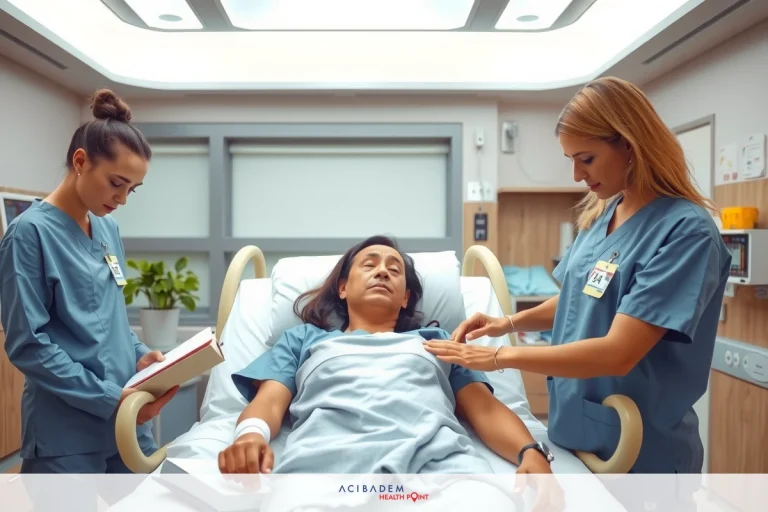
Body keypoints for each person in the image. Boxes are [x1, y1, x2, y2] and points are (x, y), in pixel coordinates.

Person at [424, 77, 731, 480]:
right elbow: (579, 299)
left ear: (630, 144)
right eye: (571, 159)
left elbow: (619, 352)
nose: (576, 175)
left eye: (586, 159)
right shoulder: (603, 214)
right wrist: (508, 323)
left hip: (640, 446)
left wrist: (498, 357)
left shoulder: (685, 232)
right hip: (575, 431)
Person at [219, 235, 563, 510]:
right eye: (369, 265)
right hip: (322, 472)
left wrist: (530, 451)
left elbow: (484, 409)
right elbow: (270, 401)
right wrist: (250, 436)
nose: (382, 272)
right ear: (343, 288)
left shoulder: (437, 340)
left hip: (443, 474)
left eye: (394, 270)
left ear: (405, 298)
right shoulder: (303, 339)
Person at [0, 89, 178, 475]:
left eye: (131, 189)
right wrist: (109, 398)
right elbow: (28, 344)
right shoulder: (29, 234)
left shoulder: (107, 228)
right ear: (81, 162)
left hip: (124, 420)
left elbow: (110, 318)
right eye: (116, 183)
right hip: (65, 430)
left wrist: (139, 354)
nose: (123, 199)